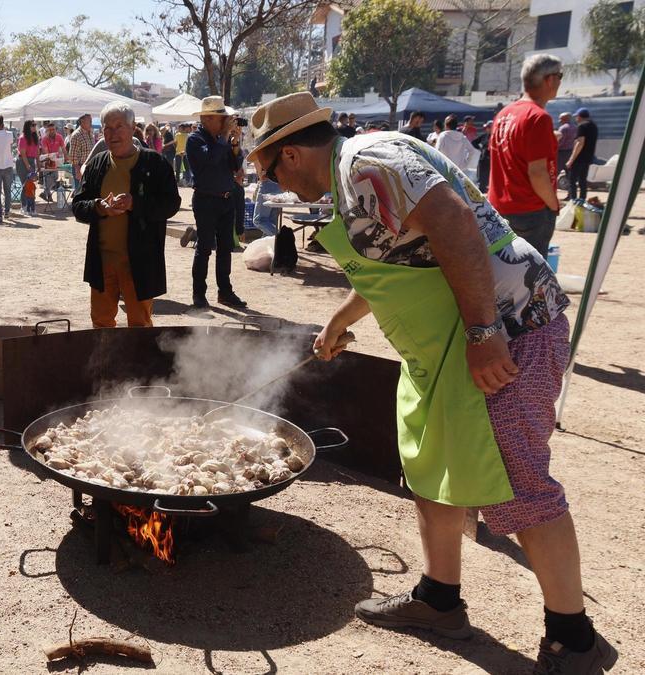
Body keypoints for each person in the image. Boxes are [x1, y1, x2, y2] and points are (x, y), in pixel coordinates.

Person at [250, 91, 614, 675]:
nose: (277, 188)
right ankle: (439, 601)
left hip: (508, 332)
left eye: (269, 171)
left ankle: (575, 639)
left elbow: (455, 223)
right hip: (441, 349)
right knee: (429, 468)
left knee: (519, 482)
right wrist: (340, 322)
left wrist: (483, 332)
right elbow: (396, 263)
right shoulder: (351, 185)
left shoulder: (368, 162)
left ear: (289, 155)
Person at [72, 101, 180, 328]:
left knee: (139, 324)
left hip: (139, 261)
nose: (113, 133)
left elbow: (171, 204)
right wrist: (98, 206)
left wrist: (135, 204)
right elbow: (78, 206)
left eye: (119, 126)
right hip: (102, 260)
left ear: (133, 129)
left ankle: (138, 365)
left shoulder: (155, 163)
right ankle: (103, 364)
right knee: (101, 322)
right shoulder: (97, 165)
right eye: (107, 128)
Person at [488, 54, 564, 257]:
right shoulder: (538, 117)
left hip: (501, 206)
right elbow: (537, 173)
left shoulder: (504, 114)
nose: (559, 82)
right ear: (549, 80)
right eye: (560, 76)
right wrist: (553, 204)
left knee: (503, 272)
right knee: (531, 278)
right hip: (530, 209)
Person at [187, 96, 247, 310]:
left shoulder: (221, 139)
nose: (226, 121)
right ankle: (199, 294)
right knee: (204, 248)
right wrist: (224, 137)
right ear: (208, 119)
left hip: (226, 199)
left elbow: (235, 165)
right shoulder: (195, 140)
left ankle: (225, 291)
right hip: (205, 200)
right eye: (221, 117)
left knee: (225, 249)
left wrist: (235, 144)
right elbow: (209, 160)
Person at [566, 108, 598, 204]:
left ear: (579, 117)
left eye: (576, 117)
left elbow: (580, 143)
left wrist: (571, 159)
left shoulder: (582, 126)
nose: (576, 118)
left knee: (572, 180)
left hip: (579, 157)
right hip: (588, 157)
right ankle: (582, 200)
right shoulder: (594, 126)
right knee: (583, 180)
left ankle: (573, 201)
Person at [38, 121, 66, 202]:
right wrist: (52, 157)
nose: (52, 131)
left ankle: (44, 193)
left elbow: (63, 148)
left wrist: (66, 157)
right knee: (48, 179)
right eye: (50, 130)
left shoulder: (59, 137)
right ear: (47, 131)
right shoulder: (44, 139)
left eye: (53, 129)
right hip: (47, 161)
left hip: (56, 161)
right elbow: (46, 152)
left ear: (55, 130)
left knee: (55, 178)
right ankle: (48, 195)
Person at [67, 113, 96, 184]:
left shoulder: (90, 133)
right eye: (90, 121)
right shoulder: (76, 135)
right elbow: (73, 156)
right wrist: (77, 171)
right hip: (80, 167)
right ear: (82, 121)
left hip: (90, 167)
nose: (91, 123)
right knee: (80, 192)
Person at [17, 120, 39, 186]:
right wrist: (28, 165)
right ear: (27, 127)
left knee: (30, 184)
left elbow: (37, 152)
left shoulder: (35, 137)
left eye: (35, 125)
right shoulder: (23, 138)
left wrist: (38, 164)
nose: (34, 127)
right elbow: (23, 154)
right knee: (26, 185)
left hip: (31, 161)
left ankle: (31, 197)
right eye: (32, 125)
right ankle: (27, 197)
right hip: (23, 162)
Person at [555, 112, 576, 180]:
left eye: (561, 119)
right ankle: (571, 188)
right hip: (571, 152)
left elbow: (560, 141)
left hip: (561, 153)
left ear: (565, 119)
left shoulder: (563, 128)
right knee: (569, 171)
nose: (559, 121)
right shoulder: (575, 127)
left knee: (556, 170)